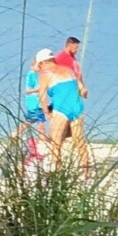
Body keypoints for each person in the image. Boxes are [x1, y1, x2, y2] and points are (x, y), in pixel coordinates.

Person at [42, 35, 91, 174]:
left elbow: (77, 78)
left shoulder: (72, 61)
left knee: (70, 139)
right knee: (63, 139)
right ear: (69, 45)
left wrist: (83, 88)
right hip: (64, 102)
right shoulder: (61, 59)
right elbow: (55, 79)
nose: (77, 50)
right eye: (75, 48)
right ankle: (61, 168)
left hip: (70, 102)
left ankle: (83, 168)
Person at [20, 48, 55, 168]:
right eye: (37, 65)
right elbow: (28, 90)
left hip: (38, 102)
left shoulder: (38, 75)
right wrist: (40, 89)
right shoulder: (31, 74)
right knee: (36, 122)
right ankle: (42, 141)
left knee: (35, 121)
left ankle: (42, 140)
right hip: (33, 101)